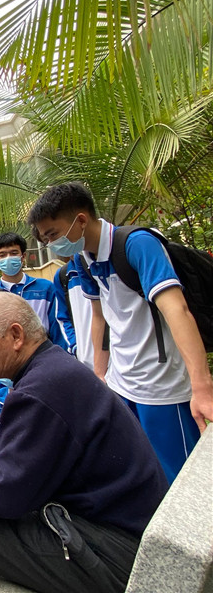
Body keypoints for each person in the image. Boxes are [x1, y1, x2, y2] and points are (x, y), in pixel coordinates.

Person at [0, 293, 168, 593]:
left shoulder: (40, 389)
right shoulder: (51, 370)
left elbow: (6, 493)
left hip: (112, 553)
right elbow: (23, 444)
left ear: (16, 335)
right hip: (113, 537)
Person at [29, 181, 213, 483]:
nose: (51, 245)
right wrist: (101, 378)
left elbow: (176, 310)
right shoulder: (83, 260)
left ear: (81, 220)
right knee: (146, 475)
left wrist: (202, 386)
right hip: (123, 384)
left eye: (53, 234)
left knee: (183, 480)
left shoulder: (137, 245)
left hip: (162, 388)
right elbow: (100, 320)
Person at [0, 232, 75, 398]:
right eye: (2, 255)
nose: (8, 258)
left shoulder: (46, 289)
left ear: (23, 256)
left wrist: (62, 364)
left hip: (43, 368)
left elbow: (57, 328)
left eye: (14, 253)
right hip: (5, 376)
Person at [52, 253, 99, 371]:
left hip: (116, 360)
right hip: (84, 362)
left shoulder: (99, 264)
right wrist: (75, 347)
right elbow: (63, 318)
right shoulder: (63, 276)